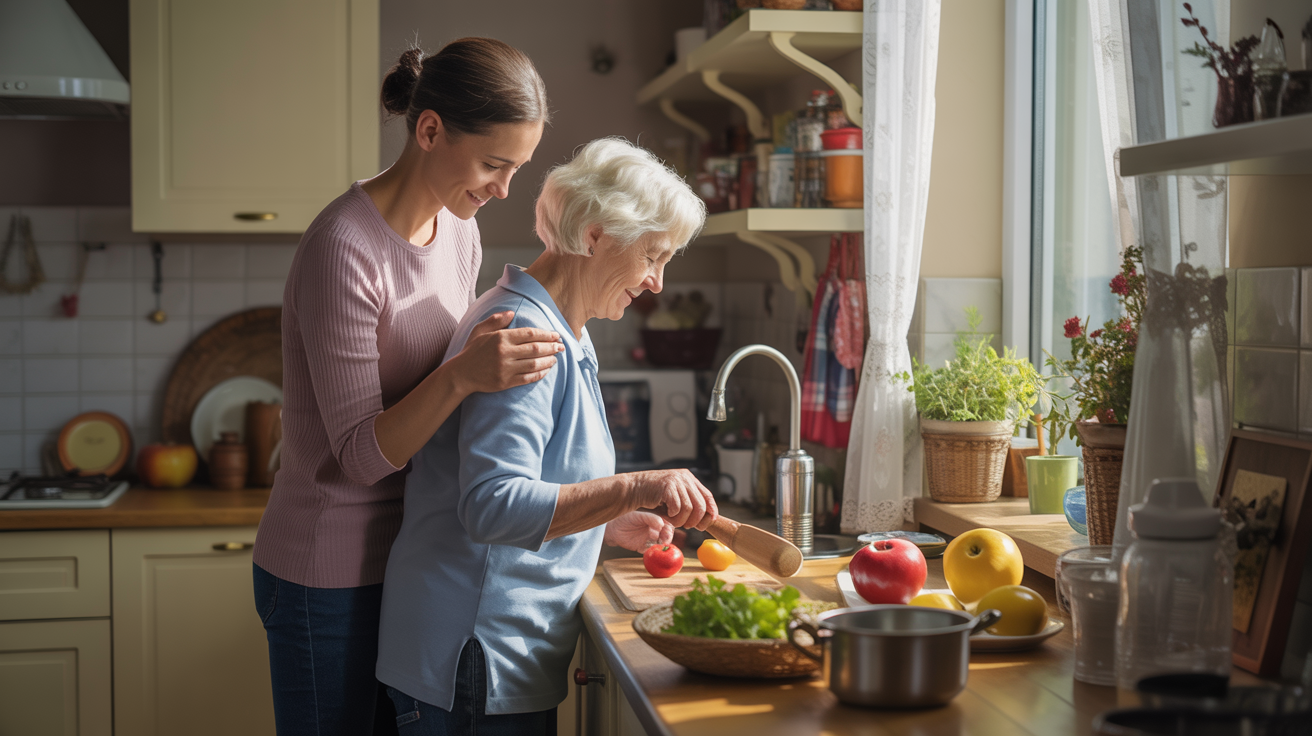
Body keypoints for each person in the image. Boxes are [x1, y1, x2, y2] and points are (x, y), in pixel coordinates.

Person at [251, 38, 563, 736]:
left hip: (413, 558)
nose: (502, 189)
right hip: (325, 573)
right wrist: (463, 375)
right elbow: (360, 457)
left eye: (516, 169)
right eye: (493, 164)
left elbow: (448, 403)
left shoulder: (458, 231)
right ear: (429, 130)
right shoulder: (344, 248)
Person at [375, 137, 716, 734]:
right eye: (652, 256)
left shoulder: (564, 328)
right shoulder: (526, 338)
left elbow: (530, 484)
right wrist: (634, 487)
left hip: (494, 655)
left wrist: (602, 521)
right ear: (595, 236)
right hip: (473, 655)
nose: (657, 282)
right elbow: (491, 505)